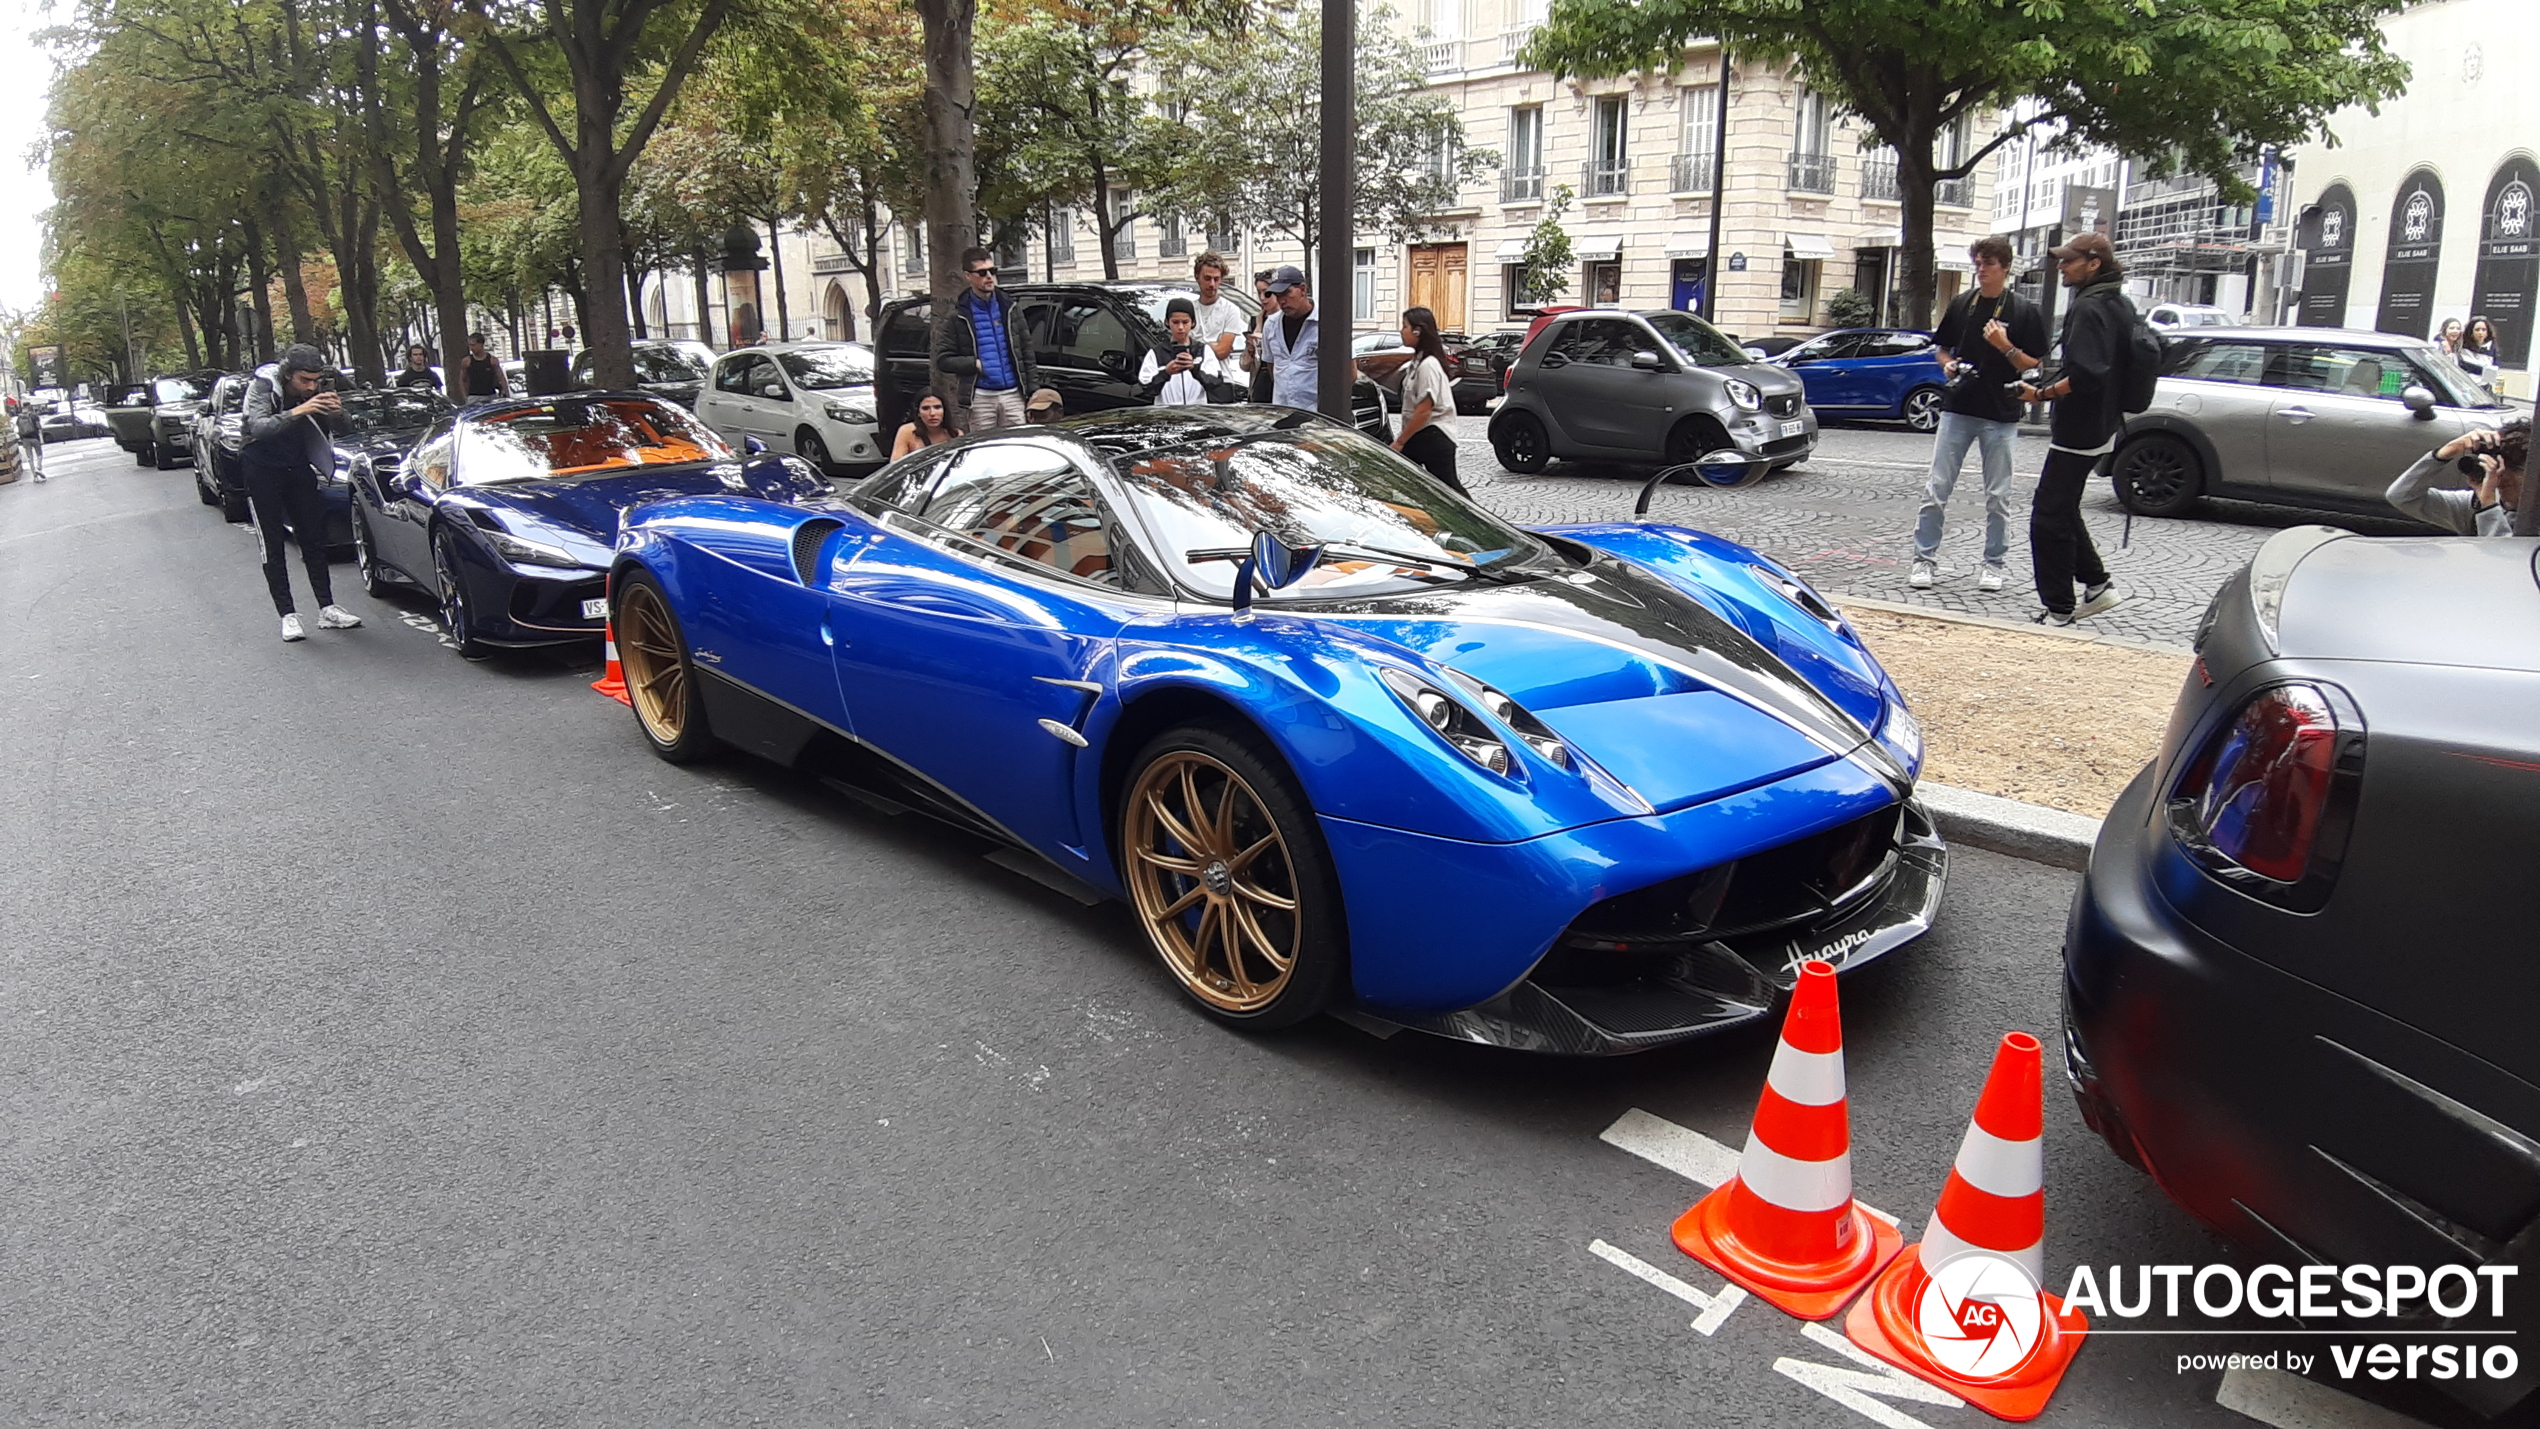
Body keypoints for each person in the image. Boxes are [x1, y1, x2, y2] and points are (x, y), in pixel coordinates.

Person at [1911, 235, 2049, 593]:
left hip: (2001, 412)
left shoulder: (2022, 310)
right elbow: (1941, 349)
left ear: (2005, 268)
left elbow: (2034, 362)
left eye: (1988, 264)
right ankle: (1923, 561)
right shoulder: (1962, 304)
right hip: (1959, 407)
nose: (1981, 270)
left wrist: (2005, 347)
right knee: (1936, 488)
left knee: (1998, 495)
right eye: (1978, 263)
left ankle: (1993, 564)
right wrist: (1950, 365)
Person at [2013, 231, 2131, 626]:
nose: (2061, 266)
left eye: (2069, 260)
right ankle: (2097, 584)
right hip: (2104, 424)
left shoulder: (2087, 308)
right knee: (2062, 508)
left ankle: (2060, 607)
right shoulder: (2119, 303)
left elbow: (2085, 374)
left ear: (2093, 264)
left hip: (2080, 427)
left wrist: (2040, 395)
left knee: (2047, 516)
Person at [240, 344, 362, 642]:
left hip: (298, 467)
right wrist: (299, 410)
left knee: (313, 538)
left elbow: (345, 428)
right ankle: (288, 615)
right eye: (304, 381)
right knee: (273, 542)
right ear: (287, 375)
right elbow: (259, 428)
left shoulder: (316, 391)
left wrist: (337, 412)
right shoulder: (264, 385)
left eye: (315, 381)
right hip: (262, 469)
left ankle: (327, 608)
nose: (310, 386)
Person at [933, 247, 1038, 430]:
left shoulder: (1010, 307)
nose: (989, 276)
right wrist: (975, 364)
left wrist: (1034, 392)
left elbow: (1027, 351)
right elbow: (943, 360)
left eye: (993, 271)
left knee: (1018, 449)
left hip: (1014, 395)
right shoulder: (958, 315)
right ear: (968, 276)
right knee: (985, 451)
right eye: (982, 272)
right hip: (981, 397)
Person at [2387, 416, 2528, 535]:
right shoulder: (2478, 503)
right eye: (2497, 469)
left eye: (2511, 474)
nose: (2499, 480)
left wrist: (2489, 508)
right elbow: (2401, 497)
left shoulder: (2492, 505)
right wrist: (2444, 453)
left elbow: (2507, 560)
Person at [1390, 306, 1465, 494]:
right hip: (1424, 435)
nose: (1401, 331)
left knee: (1448, 491)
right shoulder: (1418, 362)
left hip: (1432, 435)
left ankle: (1477, 521)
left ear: (1418, 331)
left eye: (1405, 326)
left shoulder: (1428, 365)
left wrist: (1400, 441)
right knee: (1434, 489)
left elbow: (1424, 409)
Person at [1138, 298, 1231, 406]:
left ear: (1193, 323)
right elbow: (1146, 388)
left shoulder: (1203, 351)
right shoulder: (1156, 353)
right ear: (1167, 322)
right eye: (1175, 322)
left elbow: (1215, 384)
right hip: (1166, 415)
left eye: (1185, 322)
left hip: (1197, 413)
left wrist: (1195, 370)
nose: (1181, 327)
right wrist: (1166, 373)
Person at [1257, 265, 1320, 409]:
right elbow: (1271, 365)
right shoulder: (1271, 325)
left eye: (1287, 293)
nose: (1282, 301)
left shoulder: (1326, 324)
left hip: (1316, 416)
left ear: (1303, 290)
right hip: (1282, 412)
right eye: (1278, 295)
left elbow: (1349, 374)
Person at [1189, 252, 1248, 366]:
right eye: (1207, 278)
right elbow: (1180, 348)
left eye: (1216, 279)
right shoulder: (1188, 309)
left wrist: (1193, 346)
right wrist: (1213, 346)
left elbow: (1222, 351)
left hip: (1221, 377)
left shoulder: (1231, 310)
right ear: (1197, 277)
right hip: (1192, 379)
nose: (1212, 284)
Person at [890, 392, 962, 458]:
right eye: (926, 408)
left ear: (944, 411)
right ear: (918, 412)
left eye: (937, 407)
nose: (932, 413)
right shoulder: (907, 431)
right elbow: (894, 465)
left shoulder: (956, 434)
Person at [1246, 269, 1277, 403]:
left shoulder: (1284, 319)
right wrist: (1250, 348)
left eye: (1267, 293)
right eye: (1259, 293)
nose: (1263, 298)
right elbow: (1245, 365)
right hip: (1259, 382)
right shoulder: (1257, 320)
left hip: (1277, 382)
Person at [2460, 315, 2503, 396]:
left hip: (2484, 390)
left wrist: (2477, 369)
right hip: (2466, 388)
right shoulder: (2462, 346)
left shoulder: (2492, 348)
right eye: (2477, 330)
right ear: (2471, 331)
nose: (2480, 332)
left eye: (2483, 330)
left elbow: (2491, 375)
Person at [461, 332, 508, 403]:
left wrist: (506, 393)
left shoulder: (492, 360)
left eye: (473, 345)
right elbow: (462, 379)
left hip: (490, 395)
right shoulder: (467, 361)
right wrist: (465, 397)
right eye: (470, 345)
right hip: (474, 396)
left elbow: (501, 377)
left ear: (481, 344)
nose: (471, 348)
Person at [15, 397, 44, 482]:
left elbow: (19, 428)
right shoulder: (34, 415)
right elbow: (38, 426)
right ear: (30, 406)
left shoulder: (19, 417)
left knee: (30, 457)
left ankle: (35, 476)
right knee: (39, 454)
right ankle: (38, 467)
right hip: (34, 437)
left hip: (25, 439)